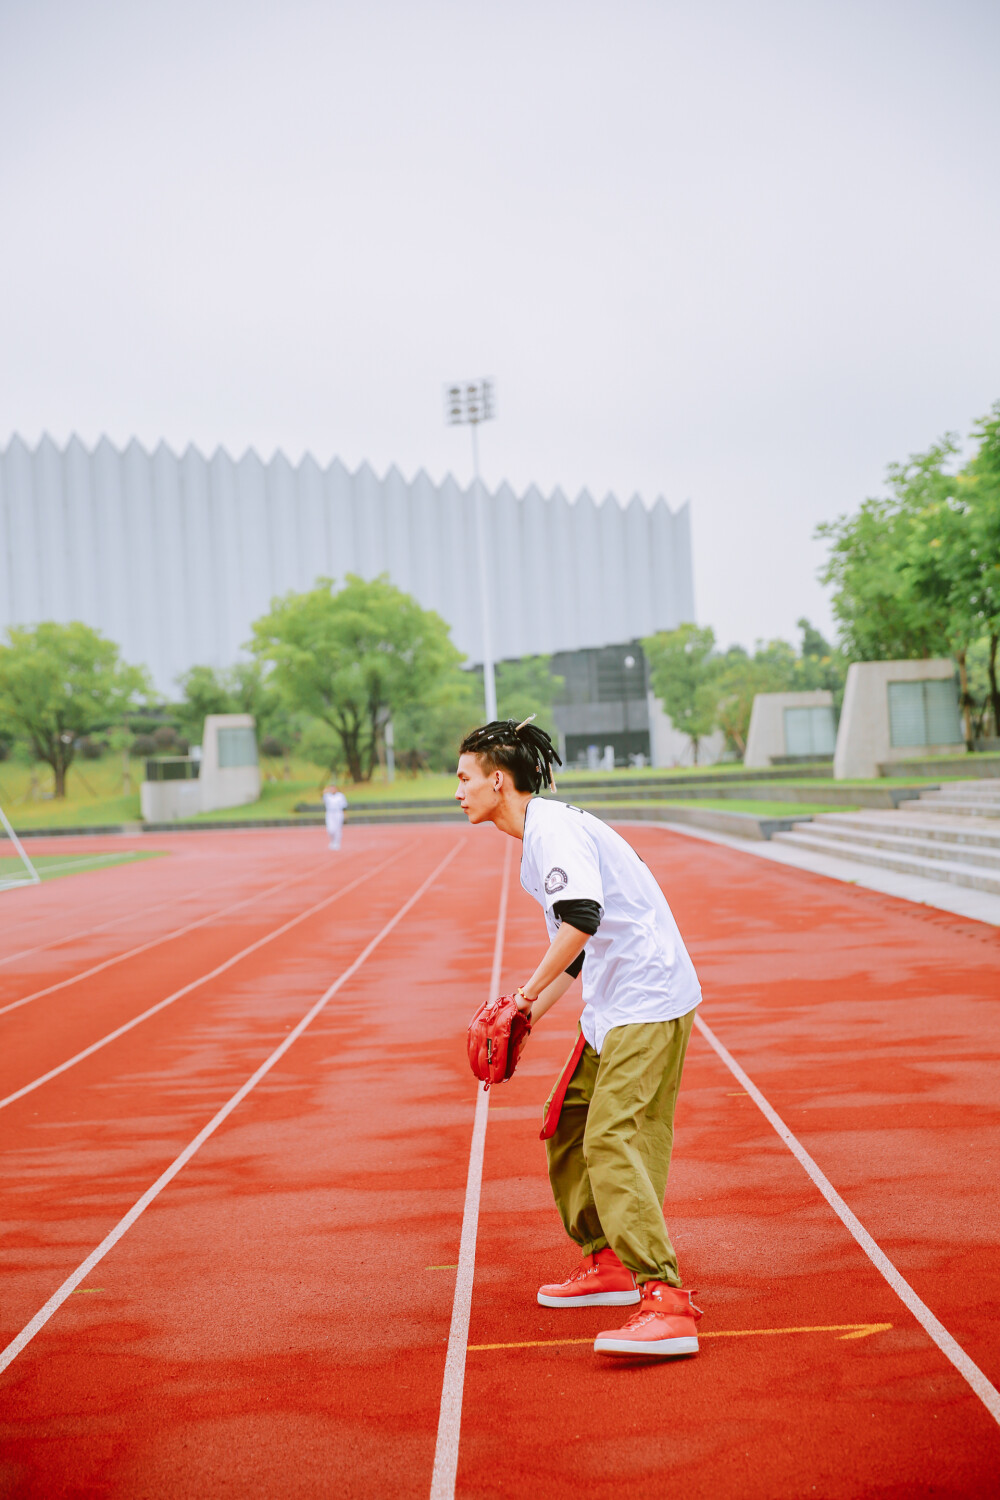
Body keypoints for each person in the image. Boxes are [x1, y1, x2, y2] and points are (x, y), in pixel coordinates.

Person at [455, 717, 703, 1359]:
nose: (457, 790)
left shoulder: (553, 829)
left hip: (647, 1000)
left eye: (464, 777)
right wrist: (529, 1015)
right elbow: (575, 952)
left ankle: (666, 1300)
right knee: (567, 1123)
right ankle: (608, 1266)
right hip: (616, 1003)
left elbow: (581, 919)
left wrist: (520, 999)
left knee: (611, 1135)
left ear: (498, 781)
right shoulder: (540, 836)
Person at [322, 782, 348, 851]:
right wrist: (324, 792)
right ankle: (332, 841)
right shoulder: (327, 796)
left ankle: (337, 843)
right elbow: (323, 800)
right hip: (330, 813)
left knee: (337, 829)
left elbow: (344, 806)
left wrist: (345, 814)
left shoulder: (340, 796)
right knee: (330, 829)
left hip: (338, 813)